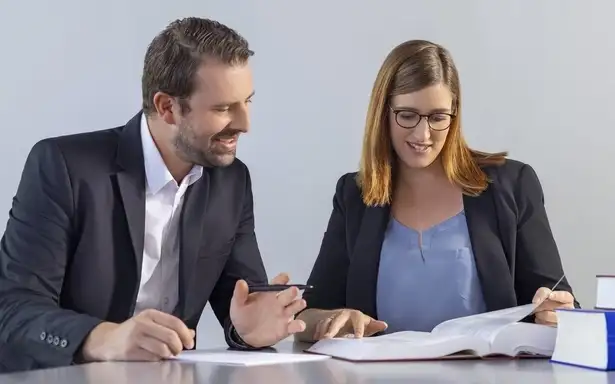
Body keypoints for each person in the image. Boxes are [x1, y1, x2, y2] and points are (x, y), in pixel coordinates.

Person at [0, 17, 306, 372]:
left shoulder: (231, 181)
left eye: (247, 102)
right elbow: (12, 308)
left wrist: (247, 330)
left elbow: (239, 304)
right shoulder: (64, 167)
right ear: (166, 107)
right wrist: (102, 338)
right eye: (223, 108)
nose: (245, 123)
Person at [296, 39, 579, 341]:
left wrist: (558, 314)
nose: (423, 134)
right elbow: (307, 317)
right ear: (383, 112)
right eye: (407, 115)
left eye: (438, 117)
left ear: (454, 114)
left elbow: (558, 301)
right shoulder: (354, 195)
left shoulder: (513, 185)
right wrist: (332, 320)